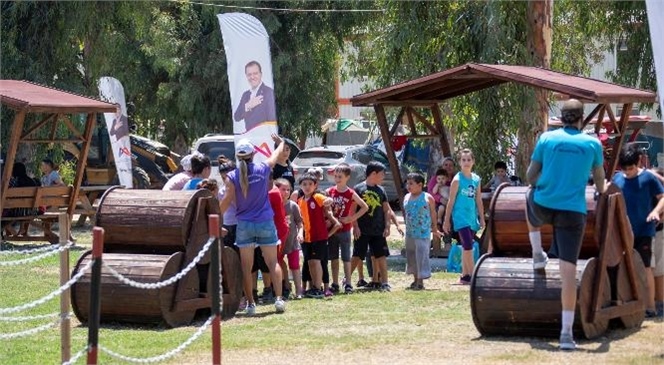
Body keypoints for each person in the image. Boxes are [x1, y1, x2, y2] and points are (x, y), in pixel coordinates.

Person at [524, 99, 605, 351]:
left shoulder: (546, 139)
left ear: (561, 117)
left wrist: (544, 182)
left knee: (528, 195)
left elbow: (530, 176)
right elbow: (601, 184)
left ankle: (538, 253)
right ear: (582, 118)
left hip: (544, 205)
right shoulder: (593, 143)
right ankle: (566, 335)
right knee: (568, 275)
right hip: (573, 211)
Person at [219, 136, 287, 315]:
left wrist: (214, 217)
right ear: (253, 154)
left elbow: (226, 200)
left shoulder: (231, 176)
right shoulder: (263, 168)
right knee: (273, 263)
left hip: (244, 224)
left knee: (246, 268)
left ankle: (250, 304)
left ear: (237, 157)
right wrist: (280, 143)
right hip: (265, 221)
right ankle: (279, 300)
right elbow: (276, 155)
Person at [611, 143, 664, 318]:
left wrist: (656, 211)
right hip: (623, 231)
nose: (628, 172)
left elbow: (662, 197)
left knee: (646, 267)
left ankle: (650, 307)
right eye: (625, 169)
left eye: (631, 168)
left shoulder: (648, 179)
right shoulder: (618, 179)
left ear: (639, 162)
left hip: (644, 231)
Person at [351, 161, 394, 292]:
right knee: (357, 255)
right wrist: (355, 226)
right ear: (373, 173)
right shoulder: (358, 189)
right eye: (382, 174)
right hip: (362, 229)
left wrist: (387, 226)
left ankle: (385, 282)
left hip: (378, 230)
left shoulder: (381, 190)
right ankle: (347, 279)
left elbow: (386, 210)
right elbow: (352, 210)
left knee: (381, 255)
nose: (383, 177)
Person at [443, 149, 484, 286]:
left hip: (472, 217)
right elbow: (451, 201)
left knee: (468, 245)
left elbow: (478, 199)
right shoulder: (457, 180)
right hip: (460, 217)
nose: (466, 162)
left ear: (473, 161)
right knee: (468, 246)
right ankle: (473, 275)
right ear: (460, 162)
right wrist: (446, 220)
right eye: (463, 160)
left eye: (469, 160)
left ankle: (465, 276)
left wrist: (482, 218)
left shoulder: (476, 179)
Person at [326, 163, 369, 294]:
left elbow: (364, 207)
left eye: (340, 176)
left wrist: (351, 218)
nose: (337, 179)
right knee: (333, 257)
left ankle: (348, 282)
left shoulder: (350, 192)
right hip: (333, 230)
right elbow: (326, 209)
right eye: (336, 176)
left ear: (347, 177)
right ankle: (334, 282)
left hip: (344, 230)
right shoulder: (330, 191)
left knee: (346, 257)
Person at [297, 172, 341, 298]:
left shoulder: (317, 197)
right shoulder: (300, 201)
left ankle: (318, 288)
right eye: (304, 184)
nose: (307, 187)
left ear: (315, 186)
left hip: (319, 236)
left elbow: (327, 200)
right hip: (307, 237)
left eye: (310, 184)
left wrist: (329, 200)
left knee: (316, 262)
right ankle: (314, 287)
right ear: (300, 186)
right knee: (310, 262)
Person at [403, 172, 440, 290]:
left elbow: (433, 213)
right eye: (407, 183)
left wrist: (434, 228)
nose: (408, 186)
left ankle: (420, 281)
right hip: (410, 232)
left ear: (420, 185)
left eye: (411, 184)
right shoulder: (406, 197)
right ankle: (414, 279)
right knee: (412, 256)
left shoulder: (427, 197)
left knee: (421, 256)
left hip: (423, 233)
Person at [275, 178, 304, 299]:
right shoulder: (274, 205)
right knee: (280, 264)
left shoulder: (293, 206)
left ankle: (298, 291)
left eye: (288, 190)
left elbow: (299, 223)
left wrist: (300, 233)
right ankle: (286, 286)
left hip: (292, 241)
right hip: (278, 241)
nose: (286, 192)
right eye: (283, 189)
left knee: (295, 266)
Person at [233, 60, 277, 132]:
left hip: (264, 138)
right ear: (246, 76)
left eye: (255, 73)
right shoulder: (245, 95)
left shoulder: (268, 92)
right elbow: (236, 117)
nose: (252, 77)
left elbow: (272, 120)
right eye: (249, 74)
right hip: (249, 138)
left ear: (261, 74)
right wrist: (248, 106)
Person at [3, 162, 40, 237]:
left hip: (18, 212)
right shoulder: (32, 181)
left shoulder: (15, 181)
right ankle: (19, 231)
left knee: (4, 211)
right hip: (33, 211)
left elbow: (8, 195)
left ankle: (10, 233)